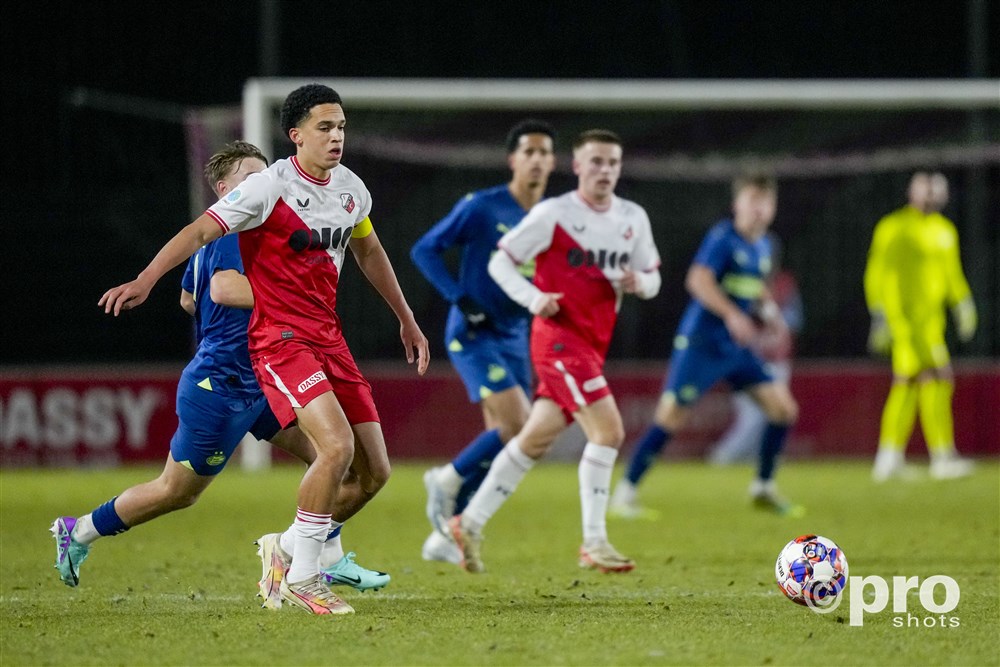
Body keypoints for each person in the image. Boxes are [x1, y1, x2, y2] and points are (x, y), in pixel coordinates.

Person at [97, 84, 430, 616]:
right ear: (296, 135)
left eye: (341, 126)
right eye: (324, 127)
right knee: (335, 448)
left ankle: (289, 547)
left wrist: (407, 319)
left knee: (375, 473)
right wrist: (145, 278)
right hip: (280, 339)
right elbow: (199, 230)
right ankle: (305, 579)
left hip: (329, 338)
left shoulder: (351, 189)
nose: (337, 136)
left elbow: (368, 249)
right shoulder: (269, 187)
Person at [51, 141, 387, 598]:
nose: (263, 184)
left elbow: (189, 298)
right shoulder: (236, 231)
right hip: (223, 383)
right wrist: (293, 297)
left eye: (264, 174)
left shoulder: (254, 227)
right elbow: (224, 289)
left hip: (264, 376)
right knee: (178, 491)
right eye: (250, 178)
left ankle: (318, 559)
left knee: (333, 458)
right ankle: (81, 530)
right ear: (224, 191)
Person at [448, 129, 662, 574]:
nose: (605, 170)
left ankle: (468, 521)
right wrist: (533, 299)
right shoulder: (554, 214)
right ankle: (595, 542)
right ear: (578, 166)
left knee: (534, 438)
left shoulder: (632, 218)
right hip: (558, 339)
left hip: (592, 343)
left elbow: (653, 276)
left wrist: (639, 283)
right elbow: (499, 261)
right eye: (596, 161)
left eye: (613, 162)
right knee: (609, 432)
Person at [609, 171, 801, 519]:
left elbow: (753, 286)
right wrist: (731, 314)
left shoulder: (765, 245)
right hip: (701, 342)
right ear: (737, 204)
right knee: (670, 417)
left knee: (783, 410)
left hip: (737, 348)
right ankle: (625, 492)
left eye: (765, 202)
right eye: (752, 201)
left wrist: (769, 311)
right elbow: (697, 280)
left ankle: (763, 487)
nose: (759, 209)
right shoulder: (722, 238)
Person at [410, 120, 556, 565]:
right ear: (513, 160)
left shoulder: (551, 218)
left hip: (516, 337)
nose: (535, 159)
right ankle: (447, 479)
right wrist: (460, 297)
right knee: (521, 427)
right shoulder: (482, 207)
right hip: (474, 334)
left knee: (503, 440)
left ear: (552, 162)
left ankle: (448, 534)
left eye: (544, 152)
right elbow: (424, 249)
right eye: (527, 151)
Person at [865, 171, 977, 482]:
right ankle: (941, 456)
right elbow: (877, 271)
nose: (931, 195)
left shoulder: (945, 230)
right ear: (912, 192)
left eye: (936, 190)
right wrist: (879, 314)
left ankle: (888, 457)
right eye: (925, 189)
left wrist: (963, 304)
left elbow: (952, 273)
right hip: (904, 321)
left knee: (908, 384)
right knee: (937, 378)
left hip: (932, 323)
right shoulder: (894, 227)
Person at [706, 233, 803, 465]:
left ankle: (758, 464)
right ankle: (722, 457)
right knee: (752, 416)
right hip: (748, 358)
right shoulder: (742, 280)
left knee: (775, 414)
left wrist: (775, 318)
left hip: (778, 359)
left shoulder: (784, 282)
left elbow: (795, 319)